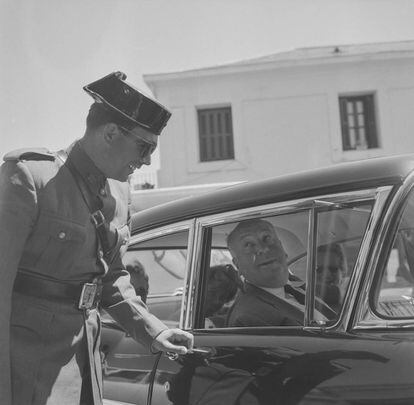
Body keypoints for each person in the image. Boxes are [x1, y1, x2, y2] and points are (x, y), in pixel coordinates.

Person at [0, 71, 193, 405]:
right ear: (110, 133)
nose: (147, 159)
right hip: (26, 362)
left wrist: (155, 331)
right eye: (144, 146)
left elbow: (112, 278)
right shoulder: (32, 177)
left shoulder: (119, 192)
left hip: (85, 355)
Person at [226, 218, 306, 327]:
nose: (263, 249)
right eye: (248, 244)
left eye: (267, 238)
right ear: (237, 265)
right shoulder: (248, 319)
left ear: (283, 249)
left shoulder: (295, 283)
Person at [315, 243, 347, 313]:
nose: (326, 275)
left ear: (343, 271)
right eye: (319, 269)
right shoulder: (302, 302)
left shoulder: (353, 297)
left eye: (333, 269)